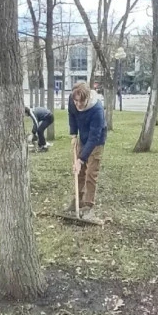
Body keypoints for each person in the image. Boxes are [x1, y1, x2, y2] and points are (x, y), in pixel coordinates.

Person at [68, 82, 107, 221]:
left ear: (88, 97)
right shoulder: (73, 99)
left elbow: (94, 137)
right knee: (79, 172)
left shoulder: (97, 110)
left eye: (81, 101)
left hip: (96, 141)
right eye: (76, 101)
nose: (78, 105)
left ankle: (88, 206)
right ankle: (77, 201)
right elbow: (72, 115)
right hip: (83, 138)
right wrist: (74, 134)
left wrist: (81, 159)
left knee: (91, 173)